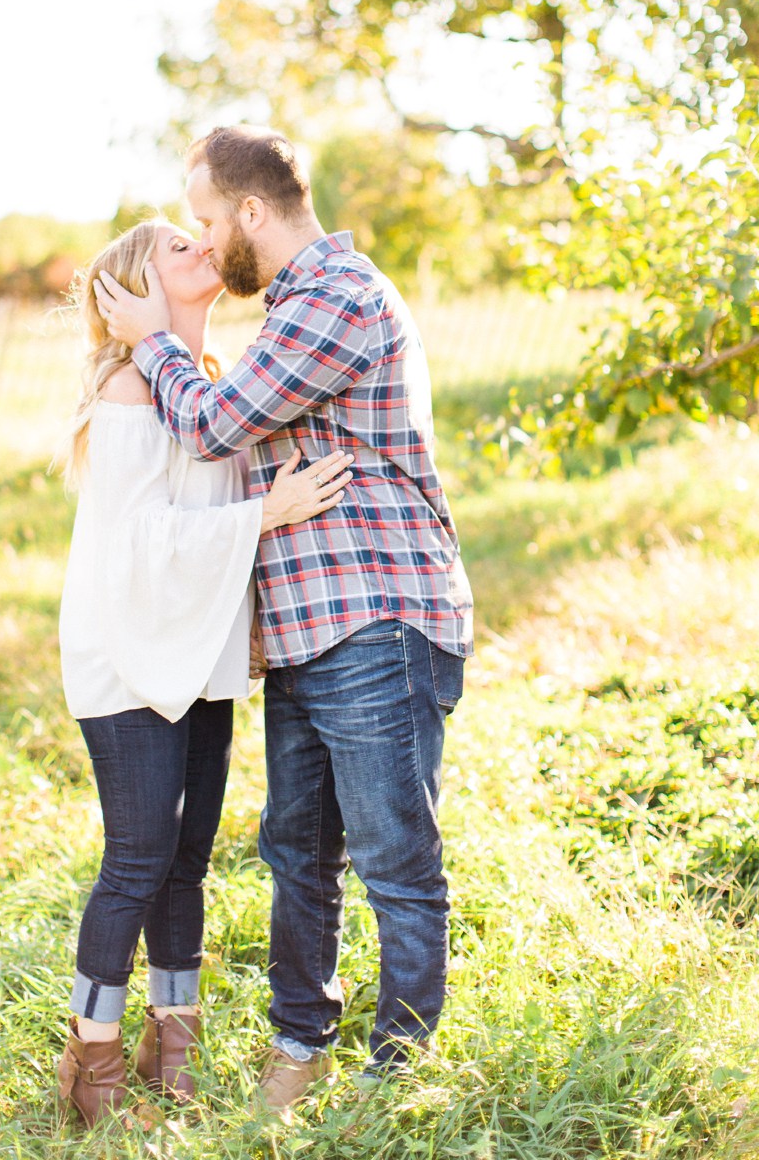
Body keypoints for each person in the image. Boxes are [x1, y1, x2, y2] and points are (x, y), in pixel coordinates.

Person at [95, 124, 474, 1112]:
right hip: (310, 632)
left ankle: (399, 1072)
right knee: (297, 853)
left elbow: (219, 425)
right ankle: (296, 1049)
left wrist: (147, 343)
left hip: (376, 618)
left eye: (208, 220)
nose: (204, 237)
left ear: (250, 213)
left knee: (393, 854)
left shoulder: (335, 300)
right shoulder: (292, 313)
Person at [54, 218, 351, 1127]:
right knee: (139, 856)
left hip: (200, 653)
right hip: (128, 652)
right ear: (135, 291)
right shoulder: (128, 389)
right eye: (176, 248)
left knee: (187, 863)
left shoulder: (206, 388)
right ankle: (92, 1062)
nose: (202, 249)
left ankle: (170, 1040)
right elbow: (142, 544)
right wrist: (268, 510)